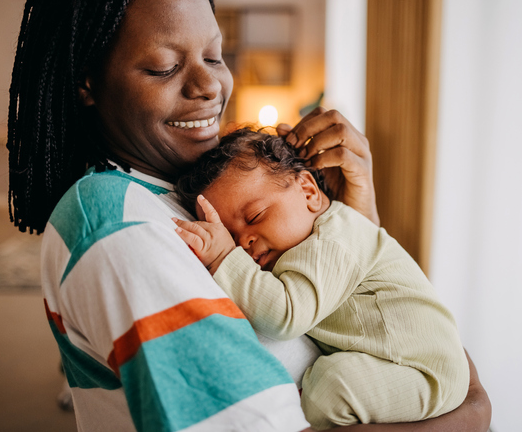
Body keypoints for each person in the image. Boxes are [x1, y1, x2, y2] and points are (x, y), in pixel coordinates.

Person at [6, 0, 491, 431]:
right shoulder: (119, 229)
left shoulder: (182, 189)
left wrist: (353, 221)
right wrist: (470, 413)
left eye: (215, 55)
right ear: (87, 81)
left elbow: (386, 329)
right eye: (162, 66)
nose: (209, 85)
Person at [172, 128, 470, 429]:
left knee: (331, 385)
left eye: (255, 216)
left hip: (422, 369)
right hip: (411, 365)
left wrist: (225, 257)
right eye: (232, 238)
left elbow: (285, 314)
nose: (244, 241)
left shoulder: (332, 240)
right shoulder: (306, 240)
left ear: (309, 192)